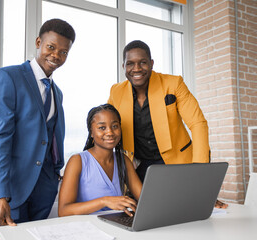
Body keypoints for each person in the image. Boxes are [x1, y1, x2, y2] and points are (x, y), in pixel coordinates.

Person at [0, 18, 76, 228]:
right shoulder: (8, 77)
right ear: (38, 43)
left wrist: (56, 174)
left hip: (44, 189)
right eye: (51, 47)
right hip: (12, 188)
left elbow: (51, 137)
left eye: (63, 52)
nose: (56, 55)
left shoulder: (57, 92)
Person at [108, 40, 227, 208]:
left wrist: (201, 174)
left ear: (151, 63)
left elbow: (198, 123)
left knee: (185, 210)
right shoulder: (116, 91)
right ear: (123, 66)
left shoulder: (174, 83)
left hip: (177, 165)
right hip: (139, 168)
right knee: (146, 215)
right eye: (130, 64)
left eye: (142, 62)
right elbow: (107, 126)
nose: (136, 69)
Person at [58, 104, 142, 217]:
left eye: (115, 126)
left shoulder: (123, 160)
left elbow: (143, 198)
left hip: (115, 225)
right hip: (87, 228)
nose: (110, 132)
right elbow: (63, 211)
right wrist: (104, 201)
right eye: (102, 128)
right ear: (91, 132)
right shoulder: (77, 161)